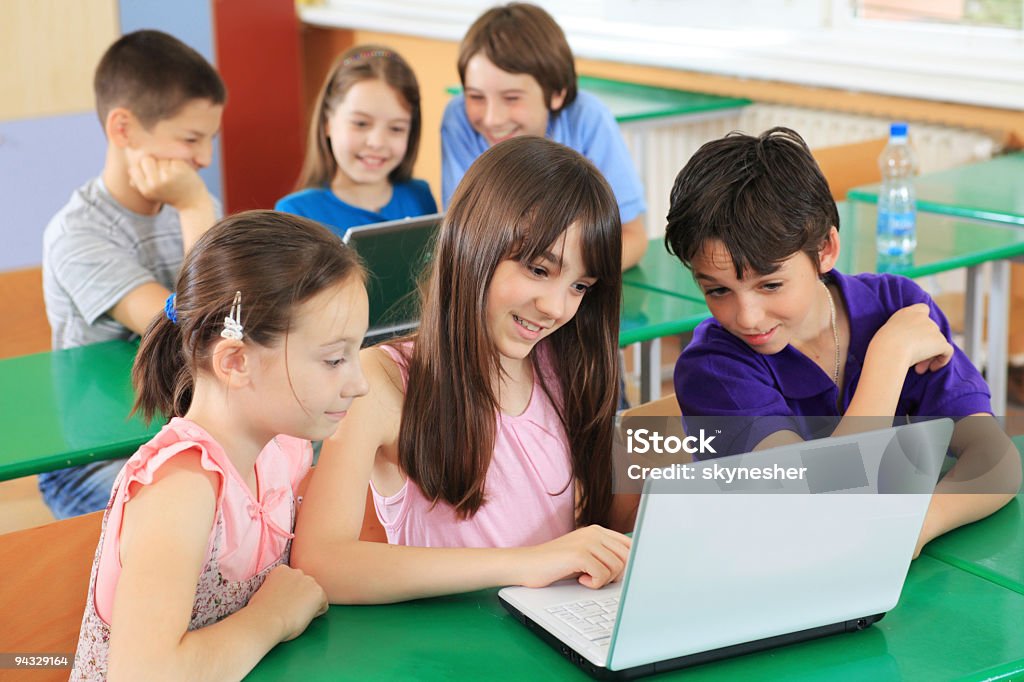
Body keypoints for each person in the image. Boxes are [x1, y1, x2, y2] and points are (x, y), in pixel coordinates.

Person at [293, 136, 636, 604]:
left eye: (579, 285)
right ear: (474, 244)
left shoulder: (565, 364)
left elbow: (615, 478)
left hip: (560, 635)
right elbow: (320, 564)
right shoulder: (382, 381)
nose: (556, 307)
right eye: (538, 269)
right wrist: (528, 563)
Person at [666, 127, 1022, 556]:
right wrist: (888, 360)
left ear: (826, 249)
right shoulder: (713, 368)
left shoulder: (897, 306)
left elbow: (996, 459)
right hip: (766, 570)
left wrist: (917, 526)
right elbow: (822, 505)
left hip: (876, 571)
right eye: (718, 291)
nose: (747, 317)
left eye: (771, 285)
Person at [70, 210, 370, 680]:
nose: (359, 383)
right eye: (334, 359)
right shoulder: (181, 488)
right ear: (234, 361)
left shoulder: (282, 450)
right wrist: (271, 618)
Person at [41, 29, 225, 518]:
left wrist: (195, 211)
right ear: (123, 129)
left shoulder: (196, 212)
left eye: (210, 139)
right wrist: (194, 209)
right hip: (96, 458)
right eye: (190, 139)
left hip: (187, 439)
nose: (205, 159)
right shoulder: (77, 235)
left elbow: (243, 323)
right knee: (190, 517)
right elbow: (199, 332)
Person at [441, 2, 647, 270]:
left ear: (557, 93)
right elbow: (464, 237)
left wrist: (563, 279)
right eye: (475, 96)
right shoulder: (459, 119)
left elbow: (632, 235)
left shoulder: (588, 119)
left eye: (512, 98)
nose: (492, 118)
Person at [276, 45, 437, 239]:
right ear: (328, 122)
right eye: (360, 123)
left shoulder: (419, 196)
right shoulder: (296, 213)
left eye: (396, 128)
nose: (377, 142)